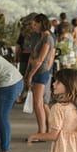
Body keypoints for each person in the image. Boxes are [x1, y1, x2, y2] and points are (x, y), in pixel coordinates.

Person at [25, 14, 56, 142]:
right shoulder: (41, 37)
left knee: (38, 103)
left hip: (40, 72)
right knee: (42, 103)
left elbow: (40, 60)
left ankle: (41, 131)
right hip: (42, 71)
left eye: (35, 24)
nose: (33, 27)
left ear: (41, 23)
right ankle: (47, 129)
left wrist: (30, 75)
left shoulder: (47, 39)